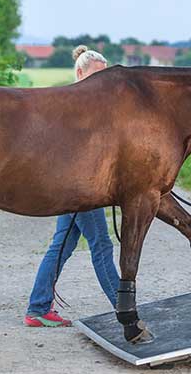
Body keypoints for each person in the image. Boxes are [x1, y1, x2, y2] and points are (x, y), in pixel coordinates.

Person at [24, 45, 120, 327]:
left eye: (105, 78)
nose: (101, 85)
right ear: (80, 73)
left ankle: (38, 307)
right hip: (80, 188)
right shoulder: (73, 104)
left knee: (62, 245)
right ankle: (123, 304)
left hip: (80, 187)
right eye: (95, 77)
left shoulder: (88, 105)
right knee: (101, 244)